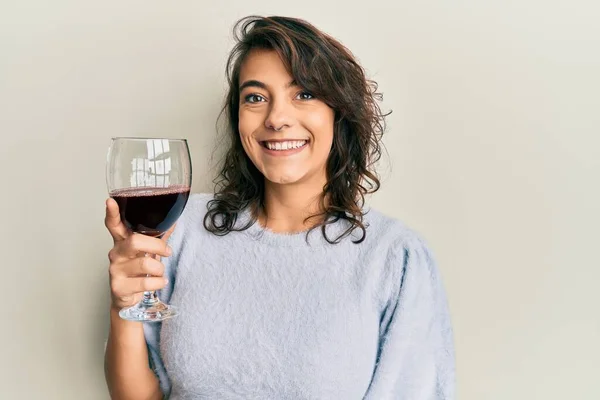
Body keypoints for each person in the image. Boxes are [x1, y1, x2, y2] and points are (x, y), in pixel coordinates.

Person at [104, 15, 455, 400]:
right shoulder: (182, 229)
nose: (277, 119)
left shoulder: (395, 257)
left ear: (338, 114)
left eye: (304, 94)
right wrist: (123, 305)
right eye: (255, 97)